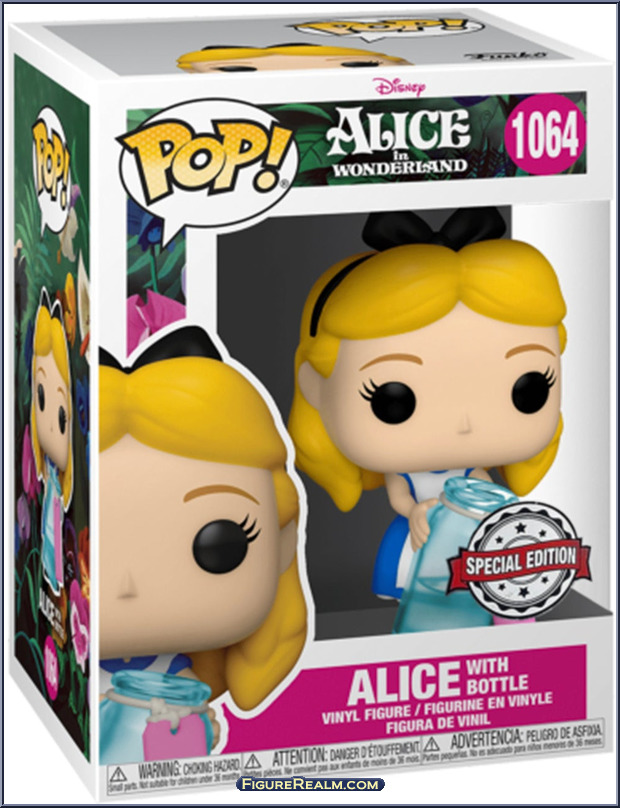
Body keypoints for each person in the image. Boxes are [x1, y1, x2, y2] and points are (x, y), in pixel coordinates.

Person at [289, 208, 566, 599]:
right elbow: (401, 499)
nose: (464, 422)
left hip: (469, 541)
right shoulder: (403, 476)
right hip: (417, 533)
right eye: (393, 398)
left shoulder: (472, 470)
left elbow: (488, 498)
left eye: (529, 389)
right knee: (406, 577)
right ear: (315, 384)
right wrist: (416, 512)